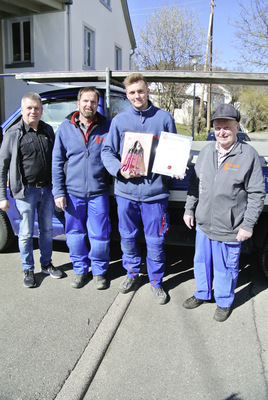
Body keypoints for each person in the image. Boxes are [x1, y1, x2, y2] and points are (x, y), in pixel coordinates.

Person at [183, 103, 265, 321]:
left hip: (229, 227)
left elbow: (257, 194)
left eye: (227, 127)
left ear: (237, 127)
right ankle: (202, 293)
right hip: (203, 224)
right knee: (200, 262)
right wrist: (189, 209)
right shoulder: (206, 152)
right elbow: (194, 184)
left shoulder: (248, 155)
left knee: (225, 268)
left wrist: (247, 225)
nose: (222, 132)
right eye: (218, 127)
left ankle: (223, 301)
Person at [101, 72, 177, 305]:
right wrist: (119, 170)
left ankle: (156, 281)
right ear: (127, 95)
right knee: (128, 237)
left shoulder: (164, 118)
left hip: (155, 194)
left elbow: (173, 152)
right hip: (126, 193)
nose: (137, 96)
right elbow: (107, 152)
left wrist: (174, 166)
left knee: (155, 240)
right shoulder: (119, 121)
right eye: (132, 92)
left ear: (148, 91)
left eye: (140, 91)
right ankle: (132, 273)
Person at [0, 92, 63, 288]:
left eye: (37, 108)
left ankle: (46, 264)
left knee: (47, 230)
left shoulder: (47, 131)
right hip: (25, 192)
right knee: (26, 233)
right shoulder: (13, 133)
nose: (33, 111)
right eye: (29, 108)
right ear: (22, 110)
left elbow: (56, 160)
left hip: (46, 190)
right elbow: (2, 166)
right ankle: (28, 269)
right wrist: (3, 196)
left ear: (42, 110)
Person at [52, 87, 111, 289]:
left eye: (93, 102)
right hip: (72, 193)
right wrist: (58, 192)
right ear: (78, 103)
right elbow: (57, 162)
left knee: (100, 235)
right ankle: (80, 270)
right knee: (75, 235)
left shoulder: (107, 126)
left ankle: (99, 272)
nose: (89, 105)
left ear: (97, 104)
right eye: (85, 101)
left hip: (98, 193)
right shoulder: (65, 128)